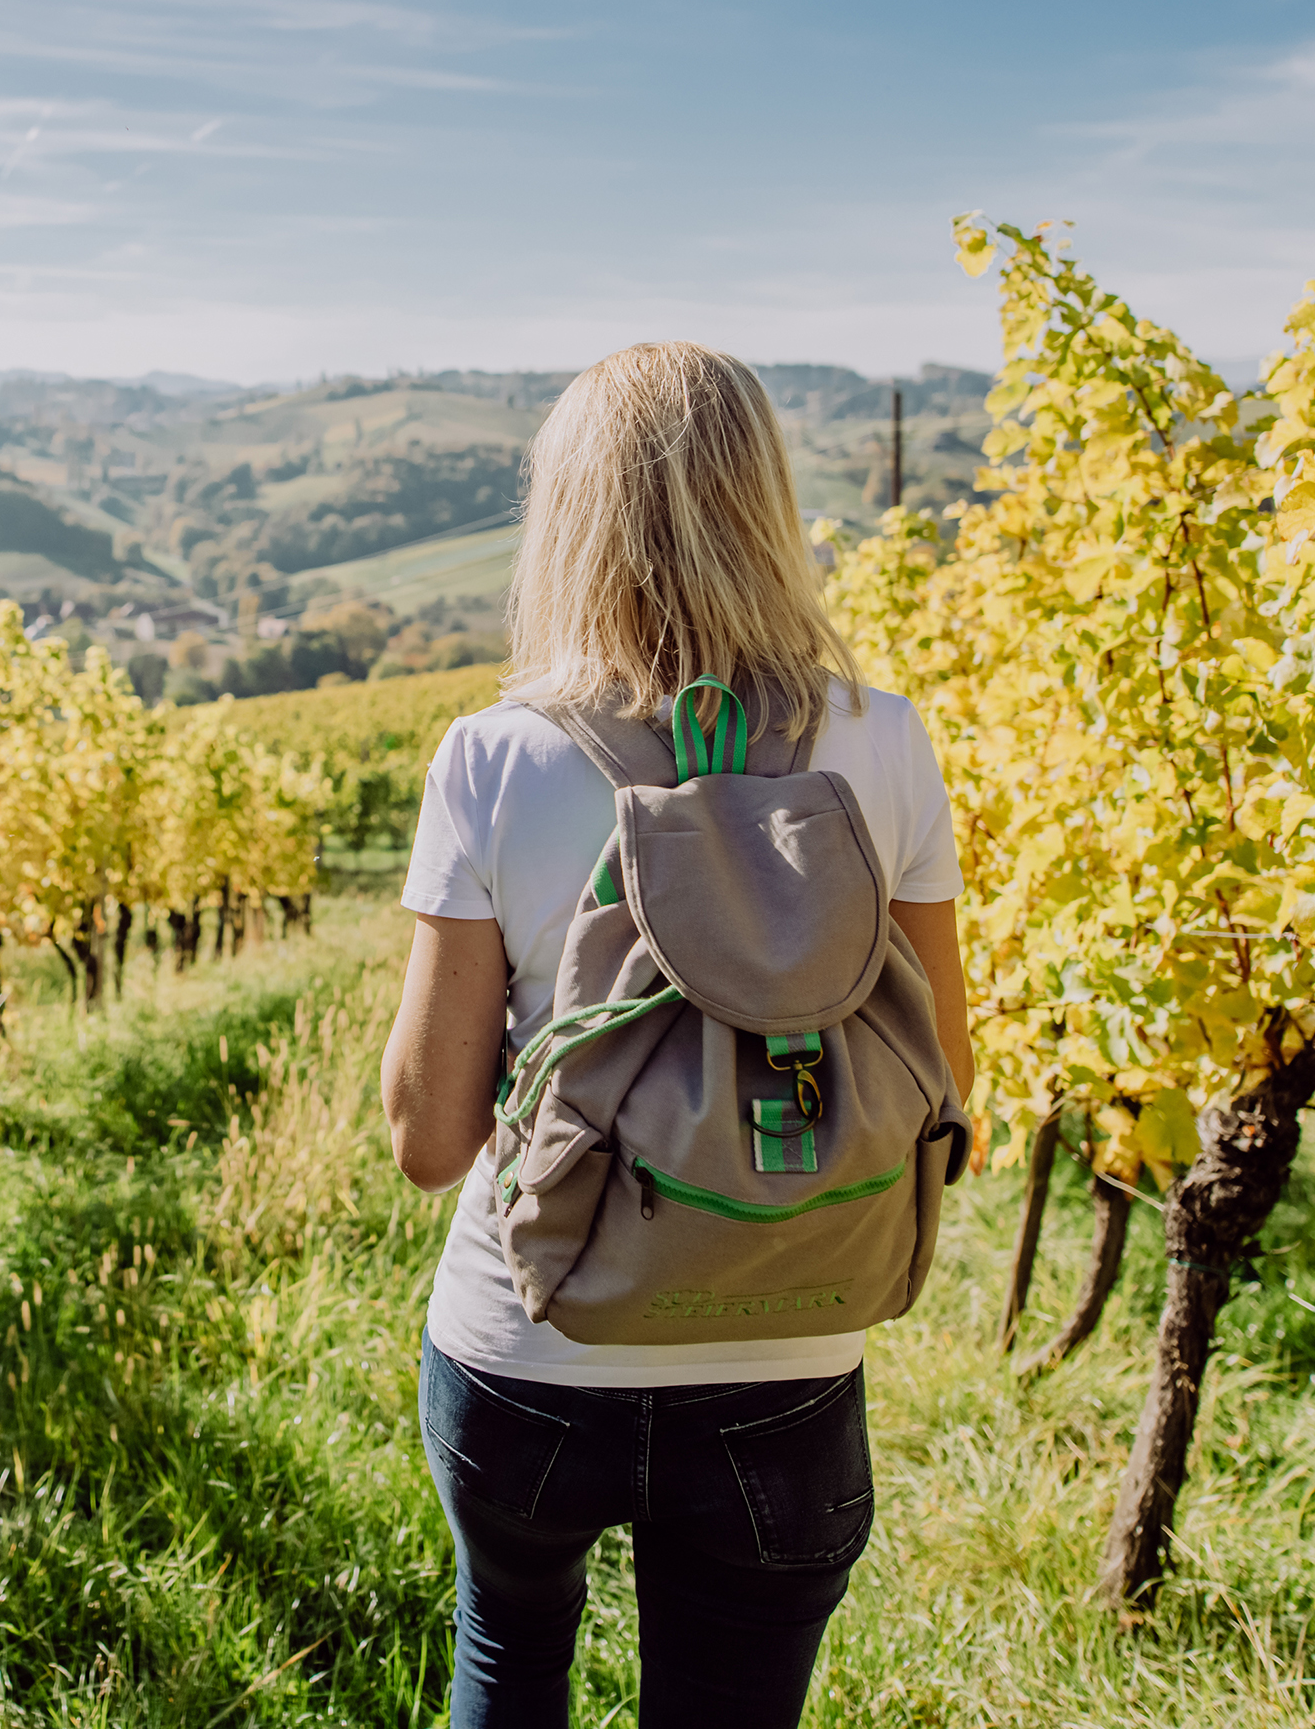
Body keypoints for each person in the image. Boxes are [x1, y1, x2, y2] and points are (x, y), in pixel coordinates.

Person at [381, 341, 973, 1729]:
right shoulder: (885, 744)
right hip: (791, 1358)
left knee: (508, 1666)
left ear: (568, 517)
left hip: (531, 1349)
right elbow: (949, 1088)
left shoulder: (494, 755)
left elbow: (427, 1142)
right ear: (766, 502)